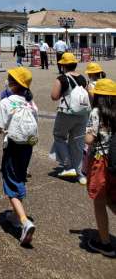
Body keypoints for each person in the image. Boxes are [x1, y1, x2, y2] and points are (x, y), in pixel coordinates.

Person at [0, 67, 38, 246]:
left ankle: (24, 221)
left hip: (12, 146)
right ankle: (14, 214)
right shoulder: (31, 103)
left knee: (10, 182)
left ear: (13, 83)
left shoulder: (6, 102)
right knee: (19, 176)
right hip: (28, 146)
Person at [85, 78, 116, 257]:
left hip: (101, 161)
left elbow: (89, 139)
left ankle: (105, 244)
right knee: (112, 198)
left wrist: (86, 134)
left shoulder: (96, 112)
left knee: (99, 201)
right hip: (115, 160)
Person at [50, 52, 90, 184]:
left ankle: (68, 165)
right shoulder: (82, 78)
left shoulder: (61, 79)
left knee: (59, 137)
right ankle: (80, 175)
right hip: (82, 114)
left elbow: (54, 96)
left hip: (66, 113)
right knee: (78, 143)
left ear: (63, 65)